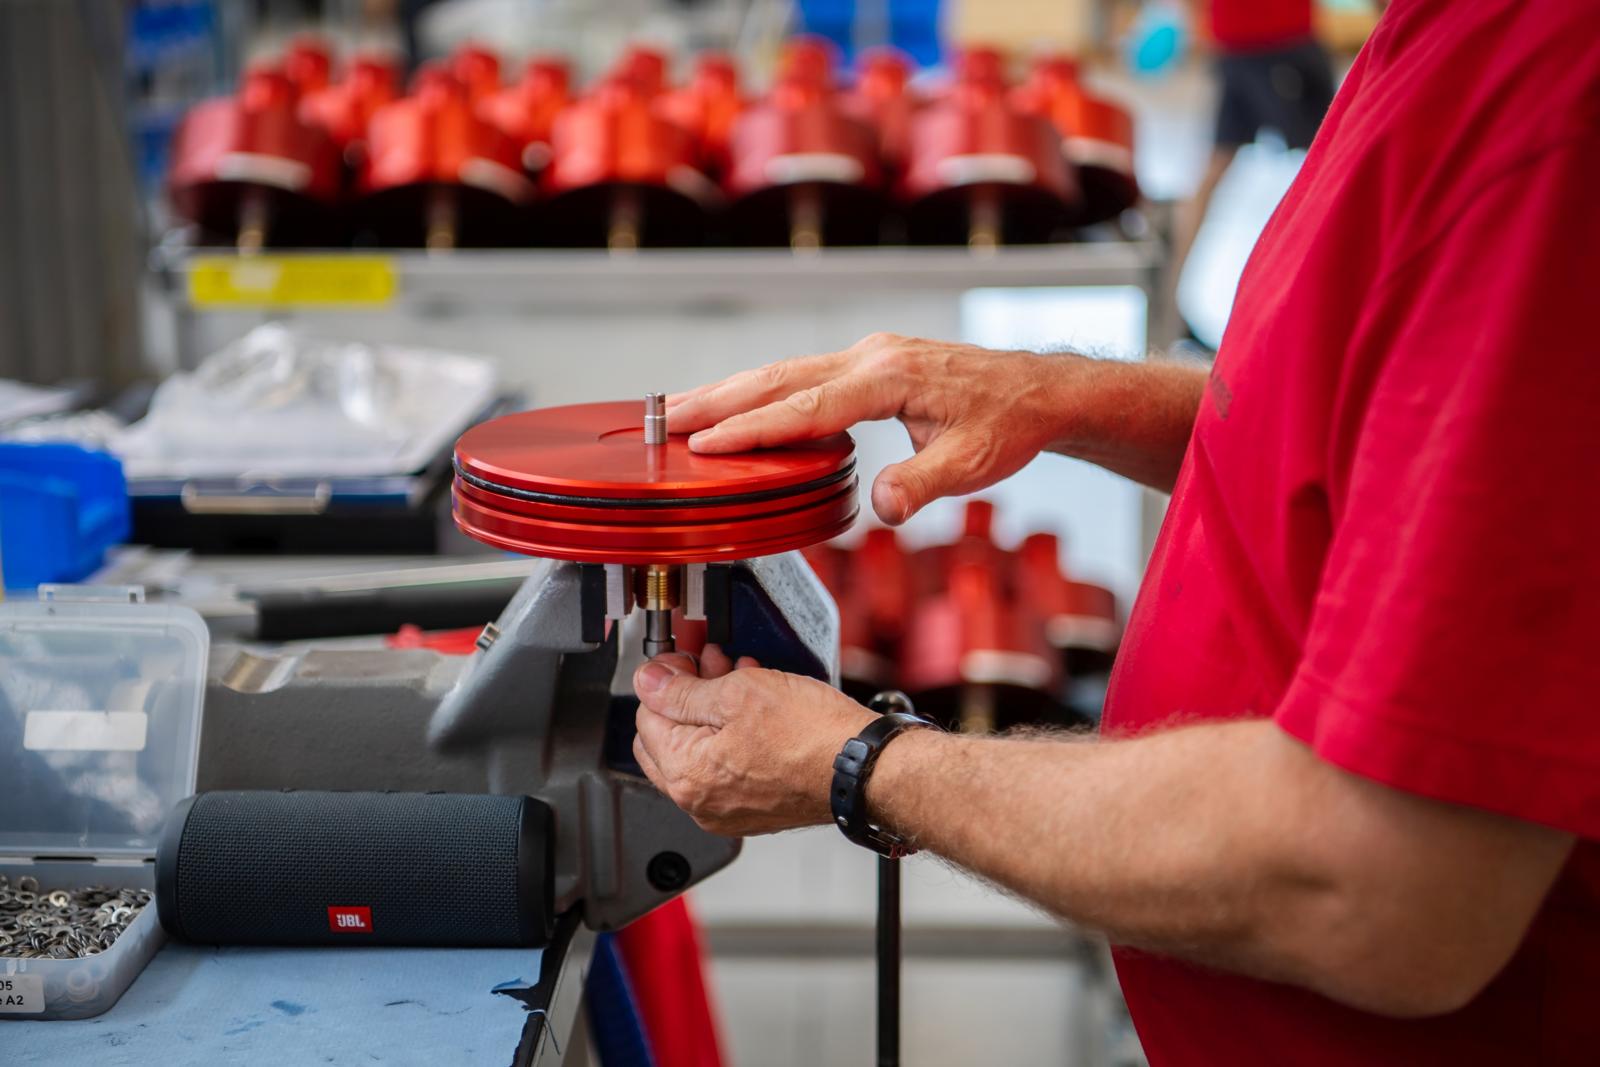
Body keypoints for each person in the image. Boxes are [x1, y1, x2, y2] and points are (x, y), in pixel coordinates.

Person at [631, 2, 1600, 1063]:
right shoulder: (1447, 31)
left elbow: (1387, 882)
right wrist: (1064, 395)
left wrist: (858, 761)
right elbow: (1366, 437)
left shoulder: (1550, 108)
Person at [1170, 0, 1336, 311]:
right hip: (1263, 42)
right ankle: (1172, 296)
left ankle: (1172, 295)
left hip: (1275, 40)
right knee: (1328, 164)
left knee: (1329, 160)